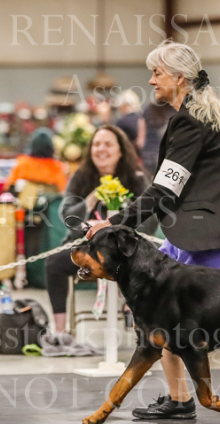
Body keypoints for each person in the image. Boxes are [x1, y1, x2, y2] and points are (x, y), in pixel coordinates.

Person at [88, 40, 220, 421]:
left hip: (204, 236)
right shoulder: (205, 113)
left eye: (157, 73)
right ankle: (180, 399)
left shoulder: (190, 121)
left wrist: (114, 225)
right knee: (166, 316)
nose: (151, 81)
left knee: (203, 324)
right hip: (198, 232)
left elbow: (165, 190)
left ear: (179, 78)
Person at [43, 125, 153, 345]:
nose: (101, 149)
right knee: (53, 264)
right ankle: (61, 332)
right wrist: (93, 197)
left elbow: (149, 222)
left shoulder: (137, 177)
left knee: (146, 262)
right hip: (87, 249)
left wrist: (117, 227)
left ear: (120, 150)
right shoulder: (80, 177)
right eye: (97, 144)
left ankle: (139, 321)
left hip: (126, 250)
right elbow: (67, 217)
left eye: (108, 144)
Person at [2, 128, 68, 192]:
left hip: (25, 199)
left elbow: (8, 188)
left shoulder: (22, 164)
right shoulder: (57, 168)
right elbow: (63, 190)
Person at [139, 99, 176, 175]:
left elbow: (141, 140)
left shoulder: (148, 109)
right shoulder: (174, 111)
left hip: (148, 156)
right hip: (167, 156)